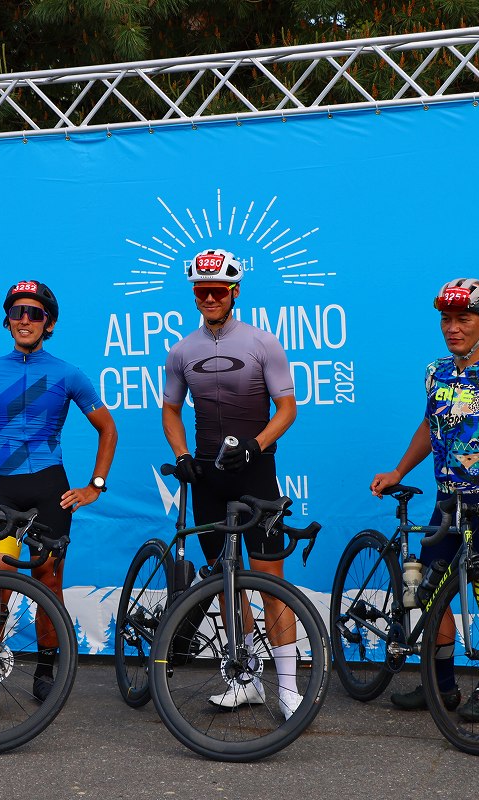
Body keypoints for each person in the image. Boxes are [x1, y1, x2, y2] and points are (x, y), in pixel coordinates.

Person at [369, 277, 479, 722]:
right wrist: (398, 470)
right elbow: (430, 428)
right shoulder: (435, 371)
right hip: (447, 502)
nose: (453, 328)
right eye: (447, 319)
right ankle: (443, 686)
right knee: (428, 594)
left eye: (463, 319)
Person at [0, 280, 117, 718]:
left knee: (48, 583)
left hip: (49, 490)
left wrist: (95, 485)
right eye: (17, 312)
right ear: (7, 320)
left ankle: (45, 669)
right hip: (1, 490)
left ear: (49, 324)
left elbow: (108, 428)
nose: (25, 320)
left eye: (35, 313)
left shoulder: (67, 373)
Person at [162, 248, 303, 718]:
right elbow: (170, 409)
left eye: (217, 291)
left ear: (235, 292)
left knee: (269, 579)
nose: (209, 298)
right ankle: (245, 680)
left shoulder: (264, 343)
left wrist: (256, 446)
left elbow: (287, 408)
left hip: (255, 472)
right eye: (201, 291)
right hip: (207, 476)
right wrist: (182, 455)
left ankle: (288, 686)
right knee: (225, 584)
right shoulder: (182, 350)